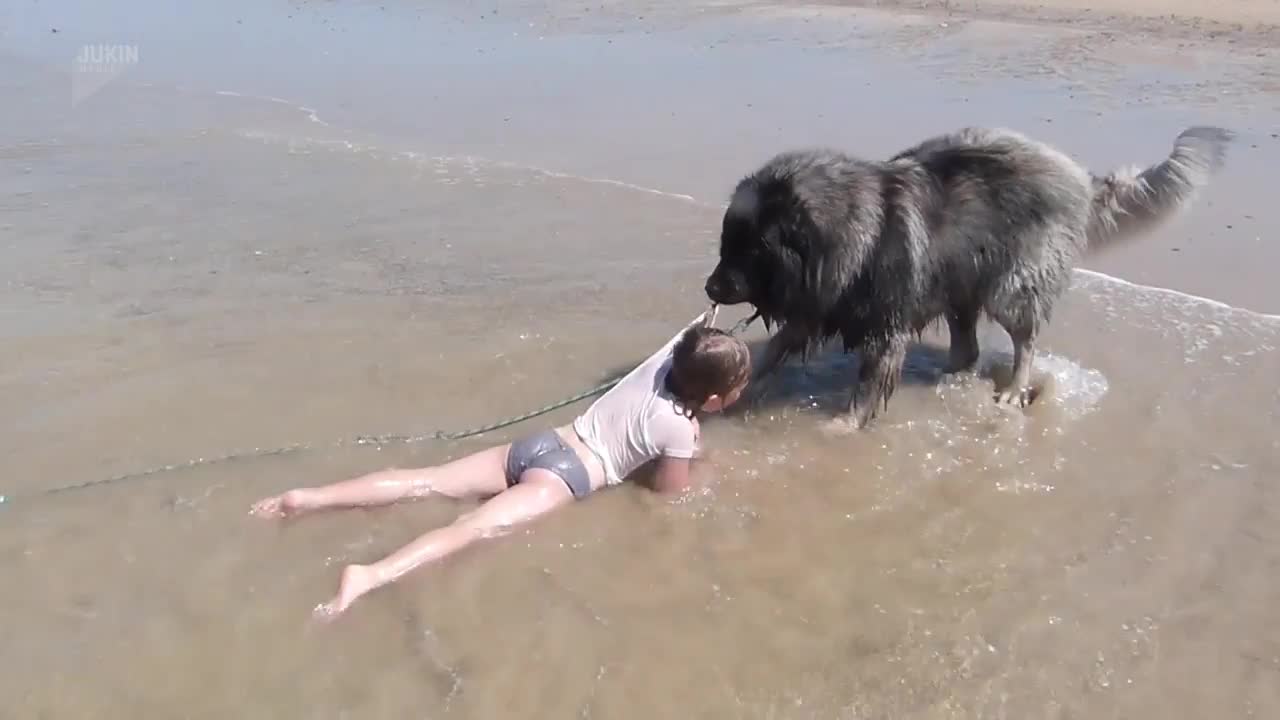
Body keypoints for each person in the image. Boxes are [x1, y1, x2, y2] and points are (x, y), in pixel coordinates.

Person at [250, 308, 752, 618]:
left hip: (541, 444)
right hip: (564, 480)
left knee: (425, 482)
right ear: (711, 400)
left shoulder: (661, 364)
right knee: (467, 530)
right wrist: (696, 461)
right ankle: (369, 576)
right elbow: (668, 495)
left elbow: (691, 339)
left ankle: (307, 498)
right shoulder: (680, 430)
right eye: (735, 390)